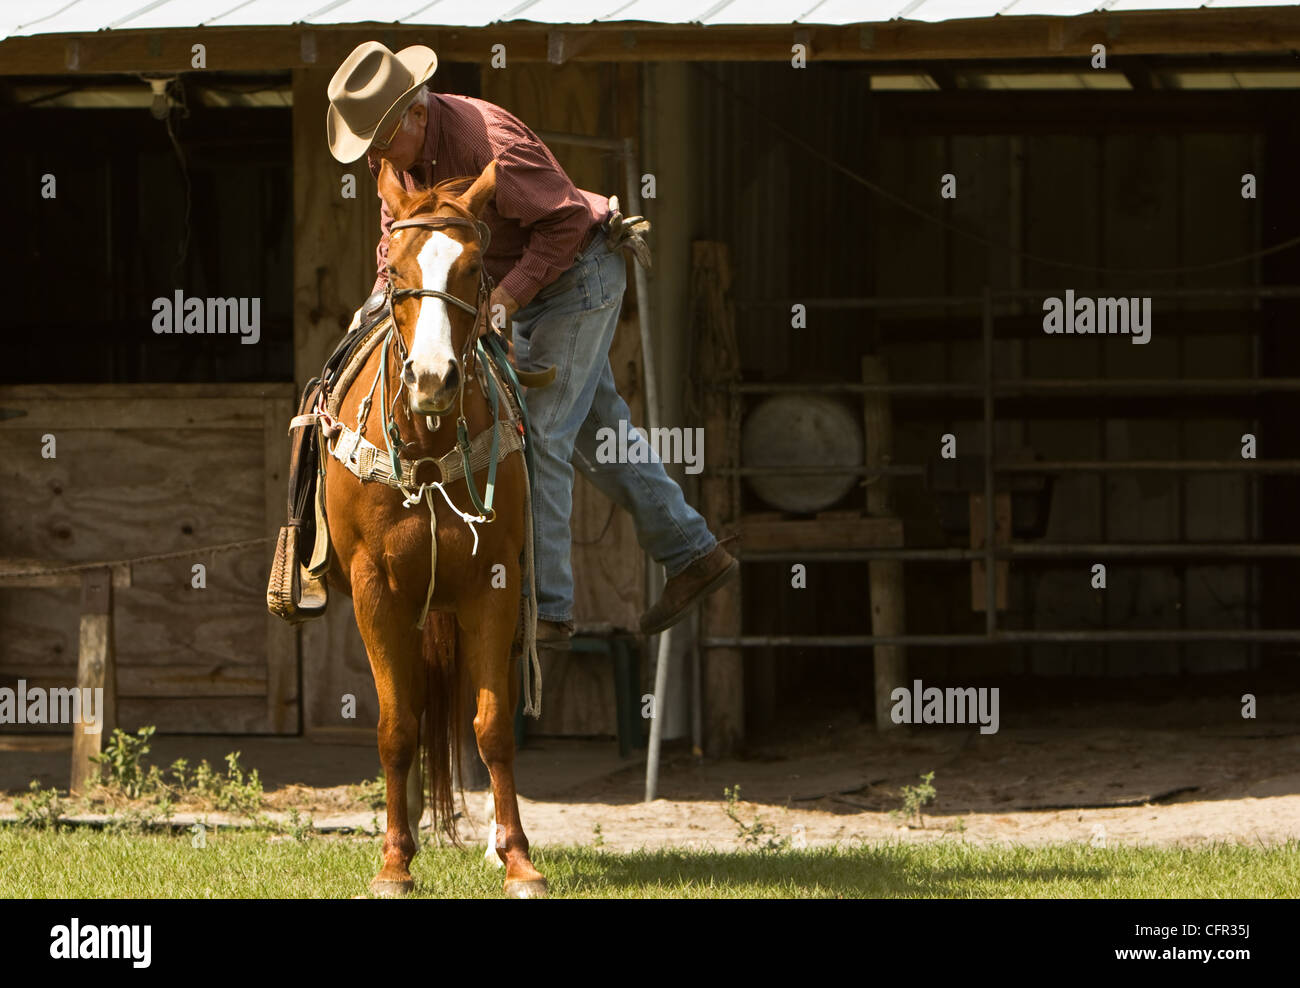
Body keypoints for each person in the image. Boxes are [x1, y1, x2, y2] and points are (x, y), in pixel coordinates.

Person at [326, 41, 736, 644]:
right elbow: (398, 242)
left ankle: (548, 608)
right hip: (521, 278)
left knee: (538, 431)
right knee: (600, 437)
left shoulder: (486, 146)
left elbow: (567, 223)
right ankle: (694, 554)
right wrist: (379, 302)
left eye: (383, 144)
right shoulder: (394, 159)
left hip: (577, 276)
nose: (378, 161)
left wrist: (505, 300)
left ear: (416, 113)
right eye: (371, 148)